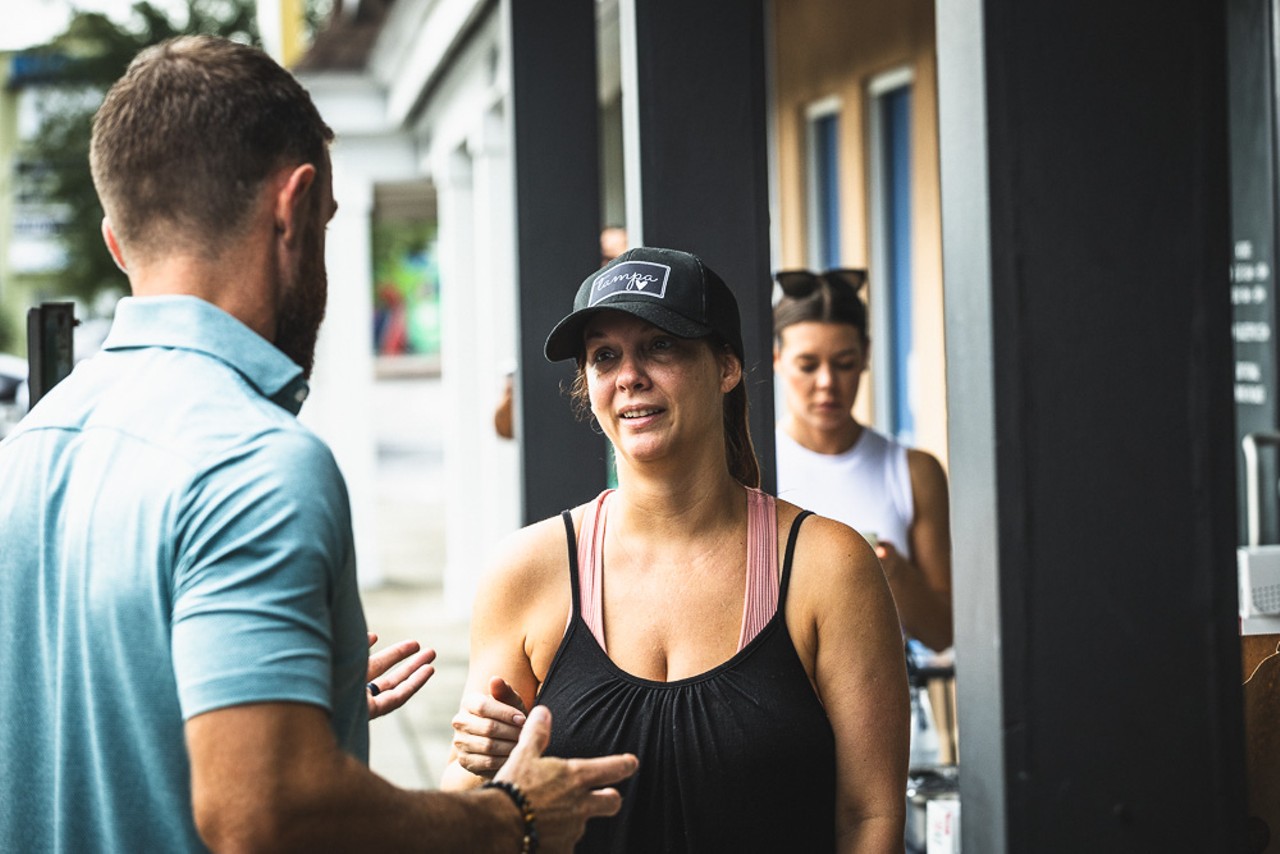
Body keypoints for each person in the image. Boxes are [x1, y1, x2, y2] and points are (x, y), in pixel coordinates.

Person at [0, 35, 635, 853]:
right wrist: (510, 812)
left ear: (118, 244)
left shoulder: (28, 449)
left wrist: (292, 700)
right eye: (330, 222)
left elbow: (85, 718)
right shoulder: (255, 461)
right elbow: (266, 812)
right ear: (294, 208)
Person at [443, 247, 909, 851]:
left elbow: (870, 817)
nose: (630, 375)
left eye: (661, 346)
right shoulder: (529, 571)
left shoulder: (828, 566)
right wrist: (481, 765)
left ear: (727, 367)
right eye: (604, 356)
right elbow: (467, 809)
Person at [772, 268, 953, 653]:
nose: (827, 382)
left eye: (843, 363)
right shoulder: (751, 464)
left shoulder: (912, 471)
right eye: (808, 365)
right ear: (777, 359)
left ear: (866, 357)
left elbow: (942, 634)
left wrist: (890, 571)